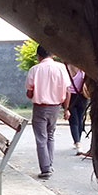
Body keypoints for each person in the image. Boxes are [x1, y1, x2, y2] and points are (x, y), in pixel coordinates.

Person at [26, 45, 71, 179]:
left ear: (38, 56)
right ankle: (49, 164)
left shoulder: (35, 69)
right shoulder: (61, 68)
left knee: (41, 138)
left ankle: (45, 169)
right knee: (50, 135)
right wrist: (66, 108)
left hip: (40, 107)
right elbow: (68, 91)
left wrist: (35, 92)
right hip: (55, 107)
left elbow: (29, 92)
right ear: (53, 54)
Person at [65, 63, 89, 152]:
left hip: (70, 97)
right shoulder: (82, 69)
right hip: (82, 96)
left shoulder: (67, 69)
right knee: (80, 118)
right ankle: (78, 140)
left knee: (73, 121)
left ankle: (77, 141)